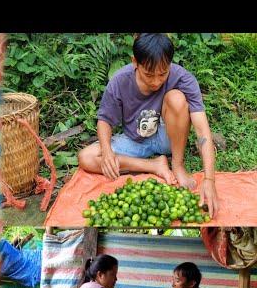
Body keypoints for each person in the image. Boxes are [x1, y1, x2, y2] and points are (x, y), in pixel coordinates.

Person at [77, 33, 218, 218]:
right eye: (149, 74)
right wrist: (107, 152)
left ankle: (177, 164)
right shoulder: (120, 81)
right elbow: (104, 121)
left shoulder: (183, 78)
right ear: (135, 62)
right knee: (86, 157)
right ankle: (154, 165)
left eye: (163, 74)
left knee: (176, 98)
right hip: (133, 141)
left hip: (166, 137)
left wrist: (209, 179)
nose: (156, 81)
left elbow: (202, 128)